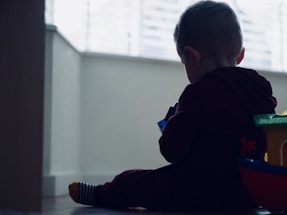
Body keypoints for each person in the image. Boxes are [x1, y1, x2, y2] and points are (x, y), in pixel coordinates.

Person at [69, 1, 277, 212]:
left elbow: (172, 151)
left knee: (133, 182)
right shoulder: (261, 89)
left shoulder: (198, 92)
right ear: (240, 55)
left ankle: (99, 193)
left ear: (193, 57)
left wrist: (172, 122)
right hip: (247, 192)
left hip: (199, 190)